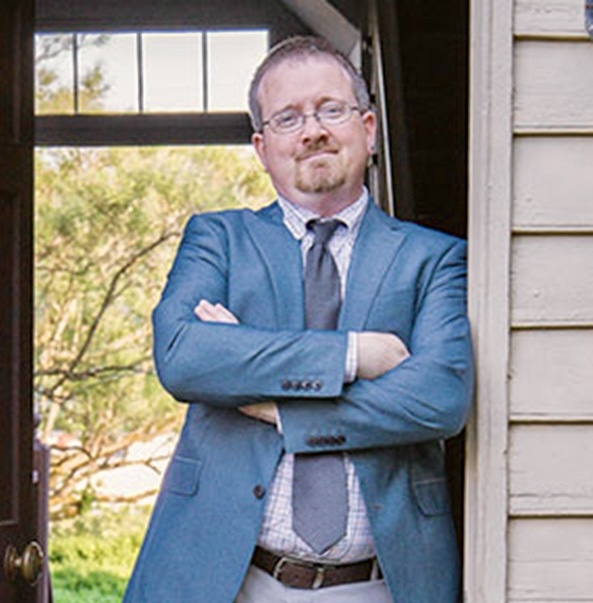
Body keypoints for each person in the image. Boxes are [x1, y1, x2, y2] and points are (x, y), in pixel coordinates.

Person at [123, 35, 474, 603]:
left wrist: (279, 405)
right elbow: (184, 356)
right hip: (226, 581)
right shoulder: (219, 239)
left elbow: (439, 396)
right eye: (288, 118)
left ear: (368, 127)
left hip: (381, 585)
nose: (312, 130)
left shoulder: (433, 258)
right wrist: (355, 356)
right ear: (262, 148)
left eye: (330, 110)